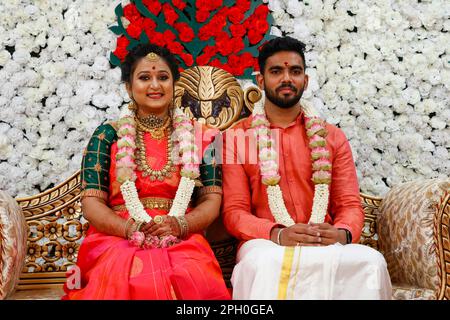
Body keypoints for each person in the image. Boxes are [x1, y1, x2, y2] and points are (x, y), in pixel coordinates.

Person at [221, 36, 392, 299]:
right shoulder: (237, 138)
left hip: (324, 241)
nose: (286, 78)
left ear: (306, 80)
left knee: (371, 262)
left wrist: (342, 233)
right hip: (267, 244)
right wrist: (276, 233)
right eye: (276, 71)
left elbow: (348, 204)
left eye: (295, 71)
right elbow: (234, 212)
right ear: (261, 81)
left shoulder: (331, 137)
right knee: (266, 264)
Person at [63, 43, 230, 300]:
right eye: (144, 77)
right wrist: (129, 229)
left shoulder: (206, 137)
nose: (155, 85)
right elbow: (92, 204)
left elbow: (212, 200)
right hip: (116, 236)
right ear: (129, 88)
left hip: (181, 236)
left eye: (163, 77)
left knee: (192, 273)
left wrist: (180, 225)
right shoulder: (107, 135)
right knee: (127, 271)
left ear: (174, 85)